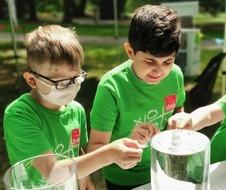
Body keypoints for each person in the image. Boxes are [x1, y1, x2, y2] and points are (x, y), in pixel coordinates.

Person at [3, 25, 144, 190]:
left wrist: (84, 179)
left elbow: (76, 152)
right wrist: (109, 154)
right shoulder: (19, 115)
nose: (69, 87)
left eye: (75, 79)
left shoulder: (76, 110)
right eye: (60, 82)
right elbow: (53, 173)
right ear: (32, 80)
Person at [88, 4, 185, 190]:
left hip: (164, 167)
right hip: (123, 178)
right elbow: (95, 148)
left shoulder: (175, 75)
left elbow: (178, 107)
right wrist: (128, 142)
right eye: (150, 61)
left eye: (168, 61)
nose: (159, 70)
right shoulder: (111, 87)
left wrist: (178, 118)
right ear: (130, 52)